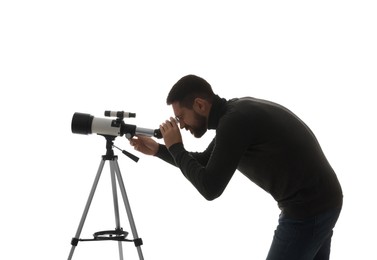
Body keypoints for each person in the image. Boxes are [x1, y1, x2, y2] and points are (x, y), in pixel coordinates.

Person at [130, 74, 343, 259]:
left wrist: (176, 148)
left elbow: (210, 188)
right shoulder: (234, 114)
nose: (181, 125)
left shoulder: (235, 122)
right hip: (322, 200)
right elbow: (205, 160)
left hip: (308, 209)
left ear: (200, 105)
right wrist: (159, 149)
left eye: (181, 117)